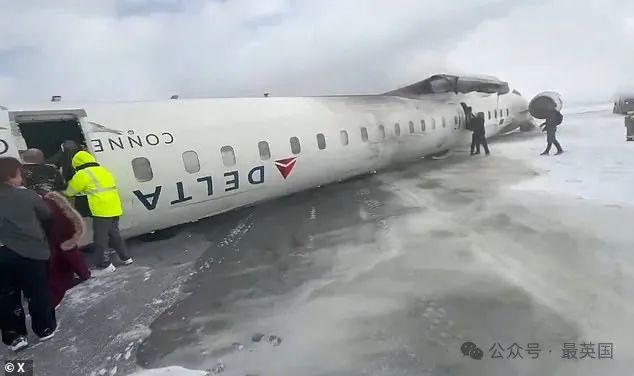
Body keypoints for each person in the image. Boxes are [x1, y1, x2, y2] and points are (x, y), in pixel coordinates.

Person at [0, 157, 57, 352]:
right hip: (30, 252)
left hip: (1, 256)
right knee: (37, 291)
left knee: (6, 296)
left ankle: (15, 337)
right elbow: (47, 216)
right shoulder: (27, 196)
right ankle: (45, 328)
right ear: (10, 175)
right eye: (19, 173)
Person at [64, 151, 133, 271]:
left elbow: (70, 191)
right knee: (114, 234)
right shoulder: (103, 170)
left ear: (76, 163)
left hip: (102, 210)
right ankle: (126, 257)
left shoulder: (83, 174)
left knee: (100, 238)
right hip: (114, 207)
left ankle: (104, 264)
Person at [41, 191, 91, 308]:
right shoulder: (65, 235)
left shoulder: (44, 205)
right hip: (55, 260)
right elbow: (75, 258)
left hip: (41, 251)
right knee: (58, 279)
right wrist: (85, 274)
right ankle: (49, 306)